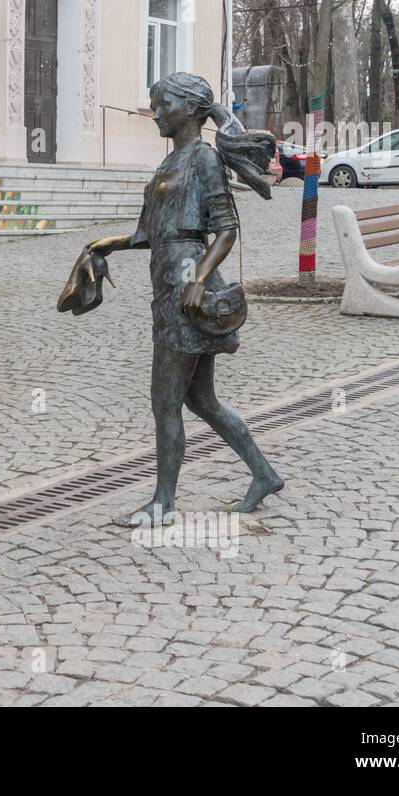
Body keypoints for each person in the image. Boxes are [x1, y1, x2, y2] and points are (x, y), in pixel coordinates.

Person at [73, 72, 283, 525]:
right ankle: (263, 474)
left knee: (165, 402)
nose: (155, 113)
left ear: (188, 109)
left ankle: (163, 502)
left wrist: (199, 278)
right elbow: (150, 234)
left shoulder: (204, 159)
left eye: (161, 104)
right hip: (169, 282)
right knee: (201, 400)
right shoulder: (168, 165)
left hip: (187, 291)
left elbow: (226, 230)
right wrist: (107, 243)